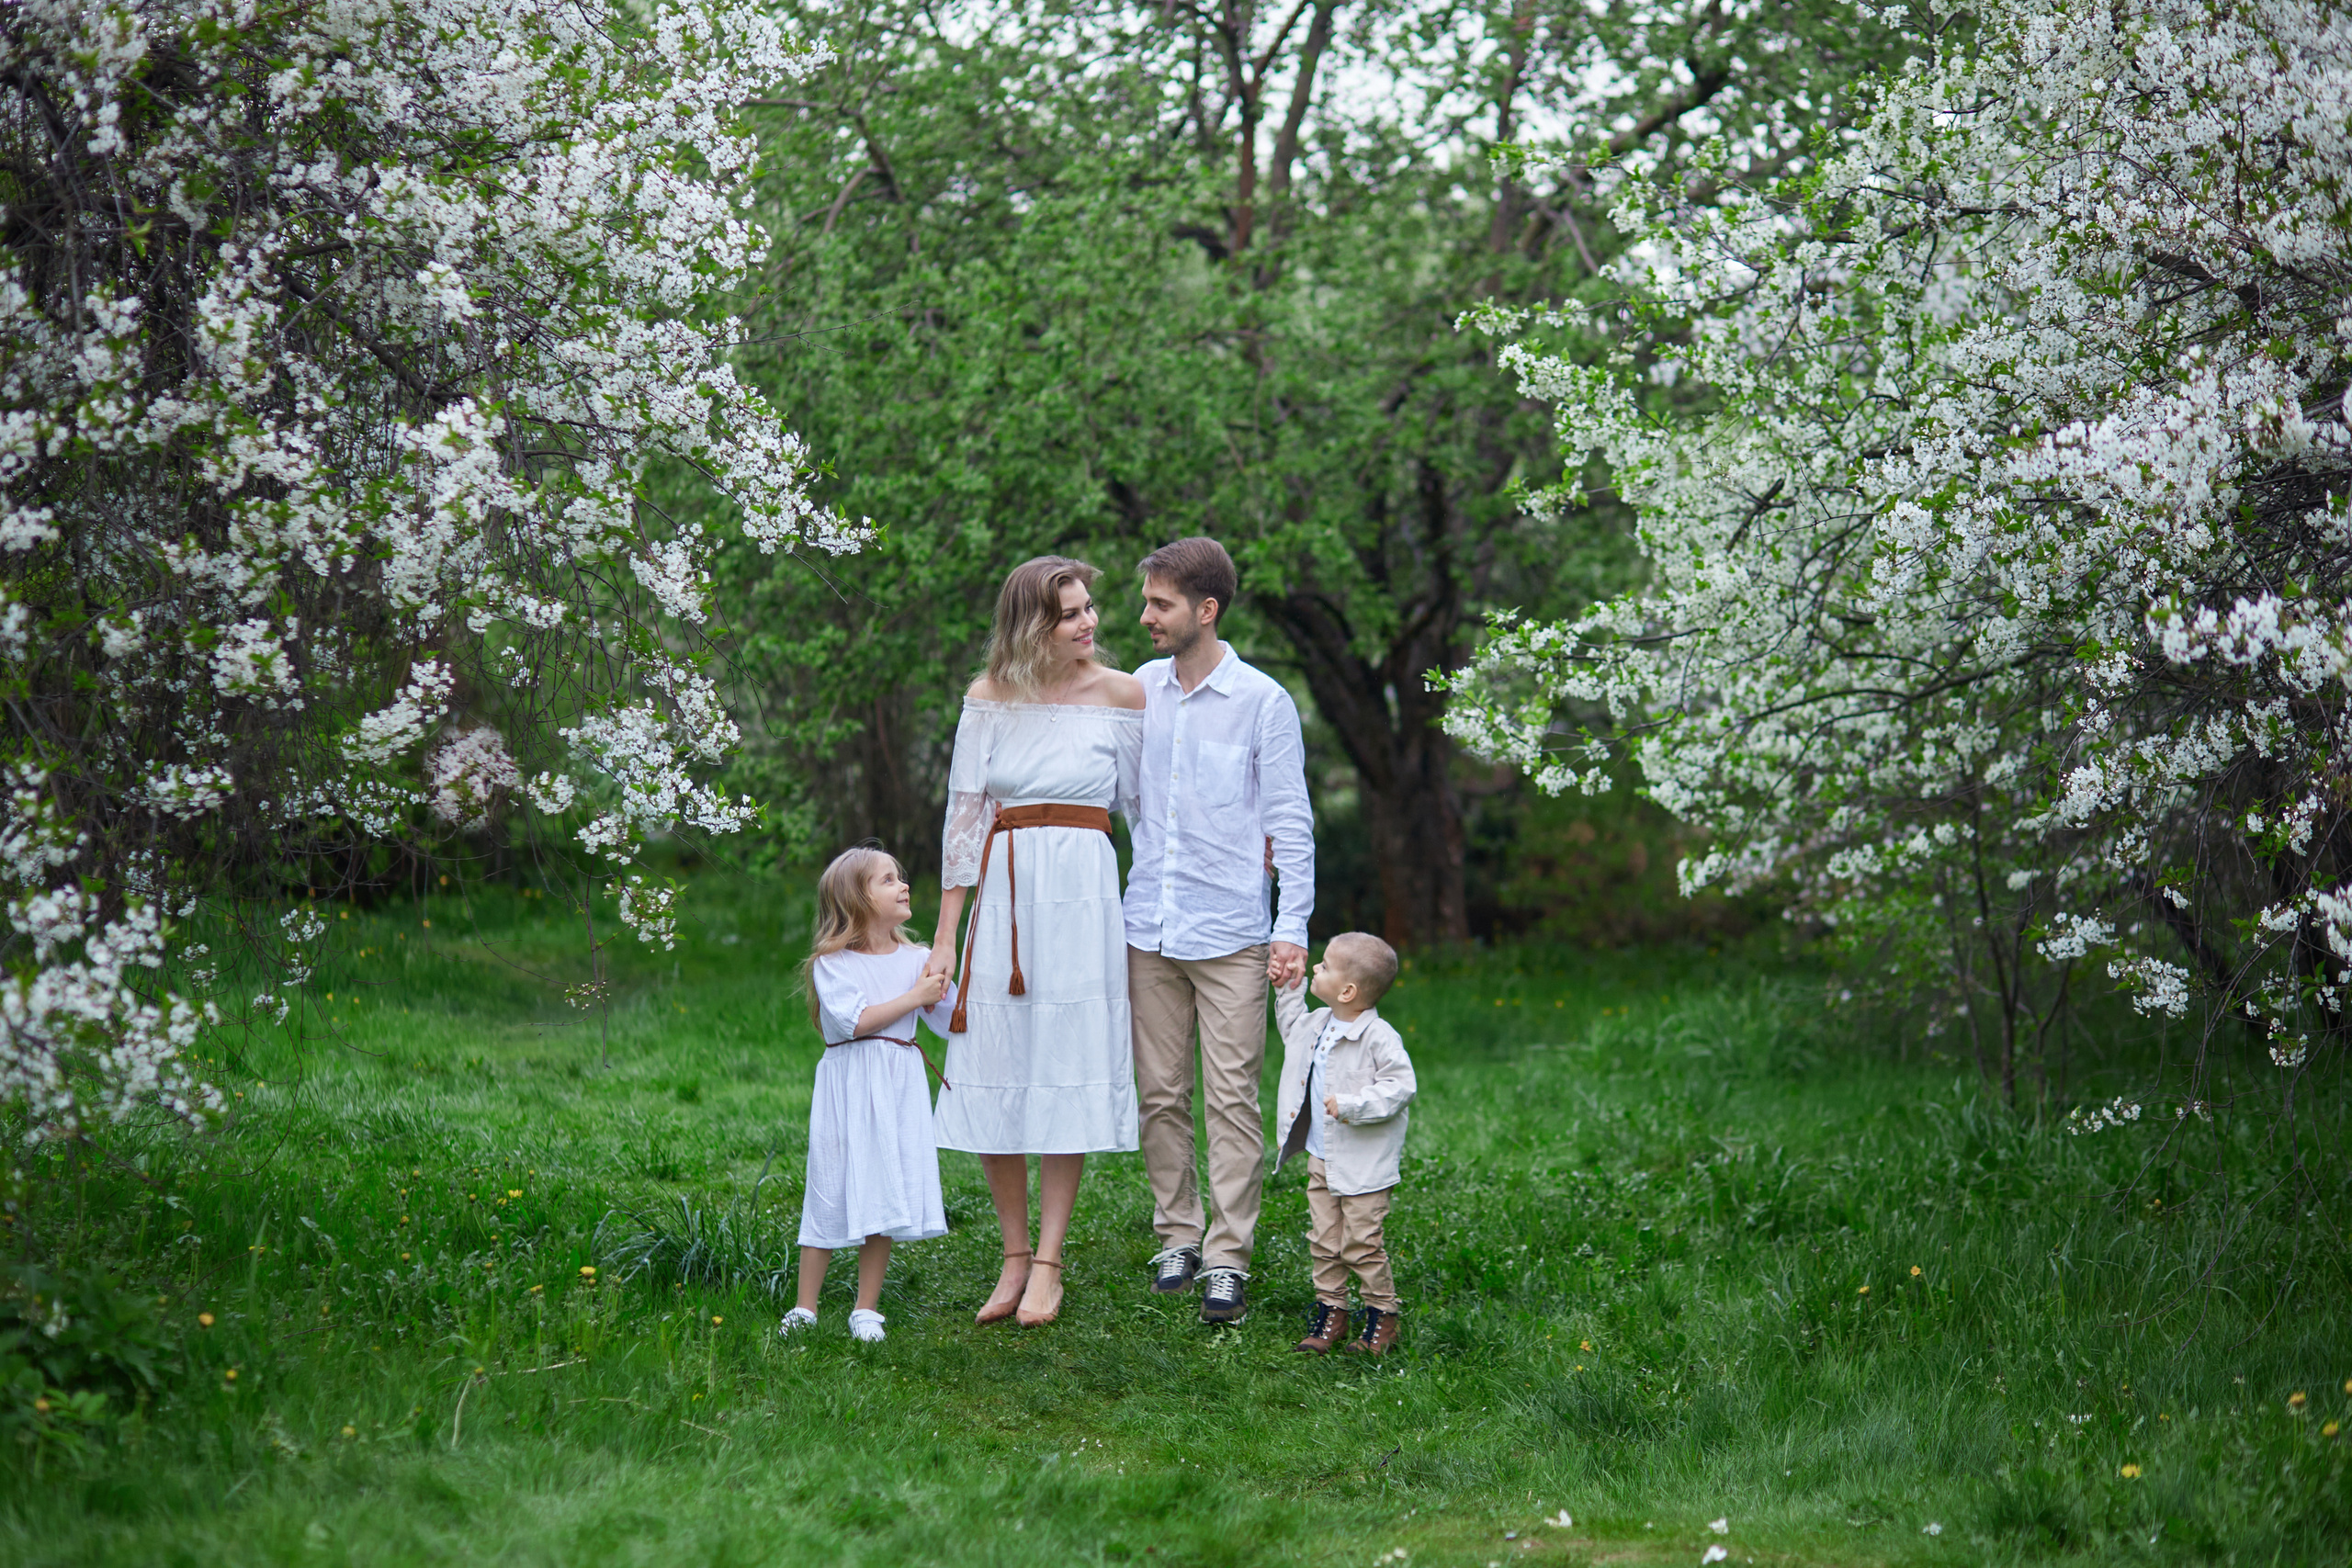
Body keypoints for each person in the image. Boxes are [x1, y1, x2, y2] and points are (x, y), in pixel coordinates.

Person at [922, 556, 1144, 1327]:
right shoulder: (989, 697)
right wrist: (946, 936)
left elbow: (1147, 813)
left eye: (1089, 608)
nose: (1090, 623)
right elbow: (964, 819)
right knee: (999, 1061)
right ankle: (1013, 1254)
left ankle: (1049, 1259)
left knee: (1063, 1063)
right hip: (1007, 897)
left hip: (1084, 902)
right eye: (1071, 613)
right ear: (1032, 625)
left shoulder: (1123, 695)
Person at [1125, 536, 1314, 1325]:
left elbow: (1290, 821)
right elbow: (1121, 797)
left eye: (1160, 604)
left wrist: (1291, 926)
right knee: (1160, 1094)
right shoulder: (1137, 690)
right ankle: (1178, 1235)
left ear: (1206, 610)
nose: (1145, 617)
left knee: (1232, 1100)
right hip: (1149, 927)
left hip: (1234, 930)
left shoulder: (1263, 702)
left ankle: (1228, 1255)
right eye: (1146, 601)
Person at [782, 845, 956, 1344]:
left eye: (901, 877)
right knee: (829, 1182)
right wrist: (915, 996)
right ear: (856, 899)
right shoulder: (833, 963)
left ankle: (866, 1309)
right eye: (888, 880)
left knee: (884, 1186)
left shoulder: (919, 959)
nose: (904, 886)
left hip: (898, 1086)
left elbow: (948, 1019)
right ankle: (805, 1307)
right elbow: (853, 1021)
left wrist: (942, 985)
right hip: (849, 1088)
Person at [1271, 932, 1415, 1357]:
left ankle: (1382, 1315)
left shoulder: (1379, 1037)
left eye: (1325, 966)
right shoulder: (1318, 1023)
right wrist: (1288, 987)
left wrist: (1353, 1104)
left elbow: (1400, 1086)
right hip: (1322, 1157)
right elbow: (1291, 1027)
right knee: (1324, 1240)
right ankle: (1332, 1311)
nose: (1316, 967)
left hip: (1364, 1166)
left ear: (1348, 991)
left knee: (1361, 1243)